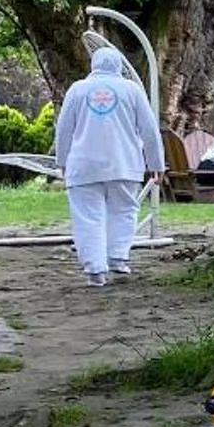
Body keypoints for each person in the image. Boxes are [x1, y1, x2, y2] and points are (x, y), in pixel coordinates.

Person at [52, 47, 164, 285]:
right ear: (119, 65)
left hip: (83, 165)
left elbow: (63, 130)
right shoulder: (132, 90)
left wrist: (61, 161)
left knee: (87, 216)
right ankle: (118, 257)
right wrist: (156, 163)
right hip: (124, 164)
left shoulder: (77, 90)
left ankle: (95, 269)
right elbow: (149, 129)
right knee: (124, 210)